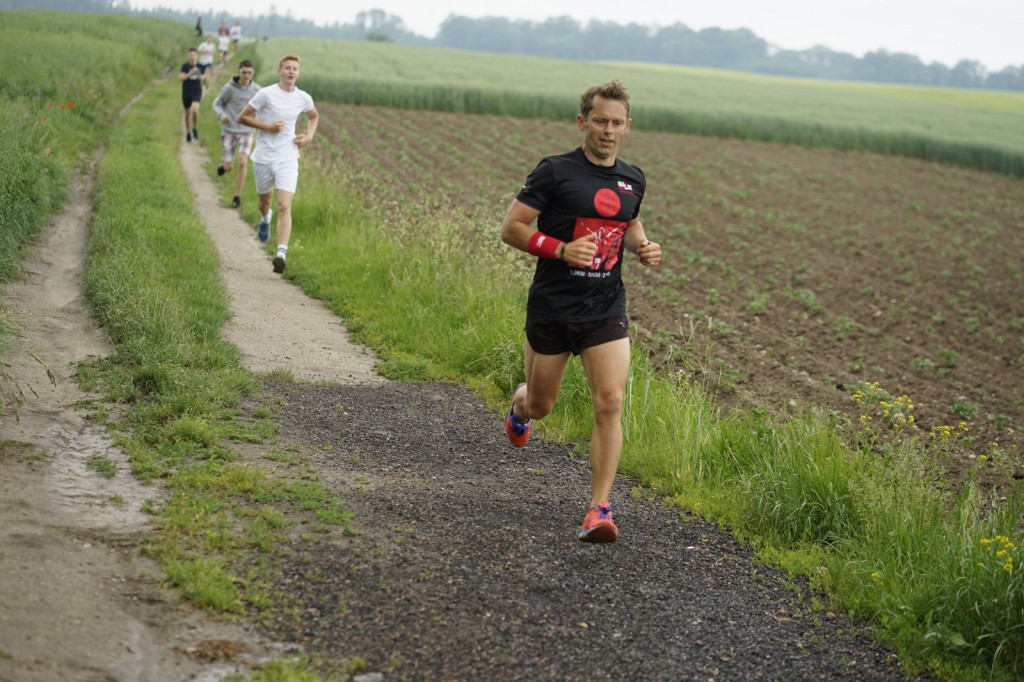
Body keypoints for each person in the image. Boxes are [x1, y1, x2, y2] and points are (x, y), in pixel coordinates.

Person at [499, 80, 662, 544]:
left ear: (628, 127)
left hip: (605, 308)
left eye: (616, 123)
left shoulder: (634, 178)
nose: (608, 130)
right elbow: (511, 228)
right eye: (600, 121)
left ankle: (599, 509)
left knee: (610, 402)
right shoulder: (554, 172)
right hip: (552, 307)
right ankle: (520, 404)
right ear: (582, 122)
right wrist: (561, 248)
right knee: (542, 405)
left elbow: (628, 225)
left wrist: (644, 247)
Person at [238, 54, 318, 274]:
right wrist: (268, 127)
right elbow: (243, 117)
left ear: (298, 73)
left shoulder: (303, 98)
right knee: (265, 203)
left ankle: (281, 253)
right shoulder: (266, 94)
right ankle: (265, 219)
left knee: (284, 205)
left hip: (288, 158)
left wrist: (309, 136)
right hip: (264, 157)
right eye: (287, 68)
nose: (291, 71)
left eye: (295, 68)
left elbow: (313, 116)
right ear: (279, 71)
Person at [212, 60, 260, 209]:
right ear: (239, 72)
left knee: (243, 161)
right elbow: (217, 104)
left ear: (253, 73)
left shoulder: (257, 90)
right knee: (229, 167)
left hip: (247, 131)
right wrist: (222, 115)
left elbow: (264, 105)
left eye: (249, 73)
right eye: (244, 72)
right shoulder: (229, 88)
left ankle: (237, 197)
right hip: (229, 130)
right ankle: (223, 166)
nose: (246, 75)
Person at [179, 47, 205, 143]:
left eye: (194, 55)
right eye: (190, 55)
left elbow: (204, 77)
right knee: (187, 114)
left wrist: (203, 77)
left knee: (195, 110)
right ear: (188, 56)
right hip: (186, 91)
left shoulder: (201, 66)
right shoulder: (185, 66)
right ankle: (188, 132)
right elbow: (181, 78)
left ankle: (194, 127)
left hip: (196, 91)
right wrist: (191, 72)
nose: (192, 57)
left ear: (197, 56)